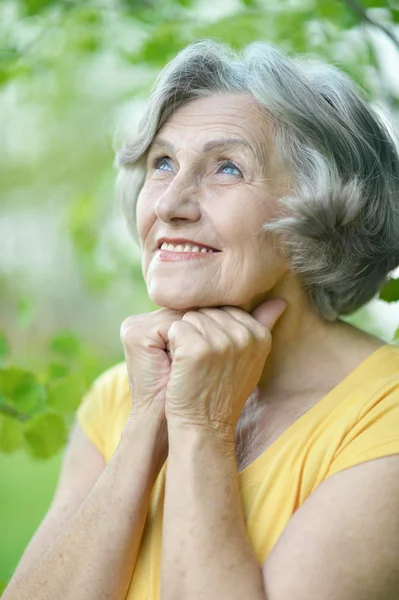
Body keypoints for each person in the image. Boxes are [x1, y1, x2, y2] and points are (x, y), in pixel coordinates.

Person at [4, 39, 399, 600]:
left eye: (227, 169)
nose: (170, 203)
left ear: (323, 213)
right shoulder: (119, 396)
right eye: (163, 163)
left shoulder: (384, 416)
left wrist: (202, 428)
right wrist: (148, 421)